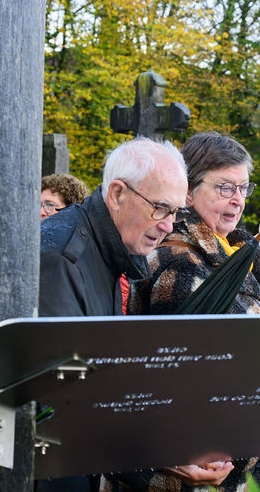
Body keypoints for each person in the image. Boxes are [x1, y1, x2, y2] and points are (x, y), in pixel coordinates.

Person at [40, 137, 230, 491]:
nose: (169, 225)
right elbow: (63, 400)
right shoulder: (61, 259)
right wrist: (158, 454)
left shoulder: (110, 247)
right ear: (116, 194)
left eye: (175, 212)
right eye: (160, 208)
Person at [106, 131, 260, 492]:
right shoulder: (177, 261)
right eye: (225, 188)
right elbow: (182, 379)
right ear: (187, 191)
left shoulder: (234, 252)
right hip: (195, 470)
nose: (237, 201)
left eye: (244, 188)